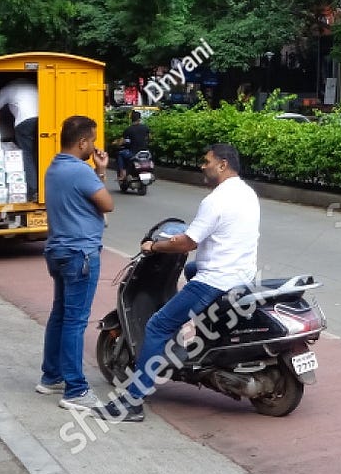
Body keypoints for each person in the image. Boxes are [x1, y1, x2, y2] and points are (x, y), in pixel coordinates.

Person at [93, 143, 258, 423]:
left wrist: (155, 246)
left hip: (216, 280)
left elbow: (187, 242)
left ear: (222, 165)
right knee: (191, 268)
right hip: (242, 275)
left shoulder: (216, 200)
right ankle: (200, 337)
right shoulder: (247, 193)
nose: (202, 166)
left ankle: (133, 402)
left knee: (157, 325)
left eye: (207, 161)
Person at [36, 115, 112, 410]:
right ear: (82, 142)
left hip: (58, 251)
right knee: (75, 321)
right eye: (92, 141)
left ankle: (51, 376)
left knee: (60, 315)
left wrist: (97, 170)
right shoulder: (80, 171)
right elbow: (107, 204)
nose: (94, 146)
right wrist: (101, 172)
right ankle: (76, 390)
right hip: (80, 254)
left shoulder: (54, 167)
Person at [0, 78, 40, 201]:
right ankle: (44, 188)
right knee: (40, 153)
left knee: (27, 154)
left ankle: (33, 190)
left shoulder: (7, 89)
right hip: (44, 119)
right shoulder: (33, 84)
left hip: (24, 122)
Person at [117, 110, 151, 181]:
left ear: (131, 119)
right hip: (145, 153)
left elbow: (121, 142)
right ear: (139, 119)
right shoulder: (145, 128)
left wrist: (118, 143)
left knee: (120, 154)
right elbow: (150, 138)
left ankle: (122, 173)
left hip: (133, 153)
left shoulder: (128, 129)